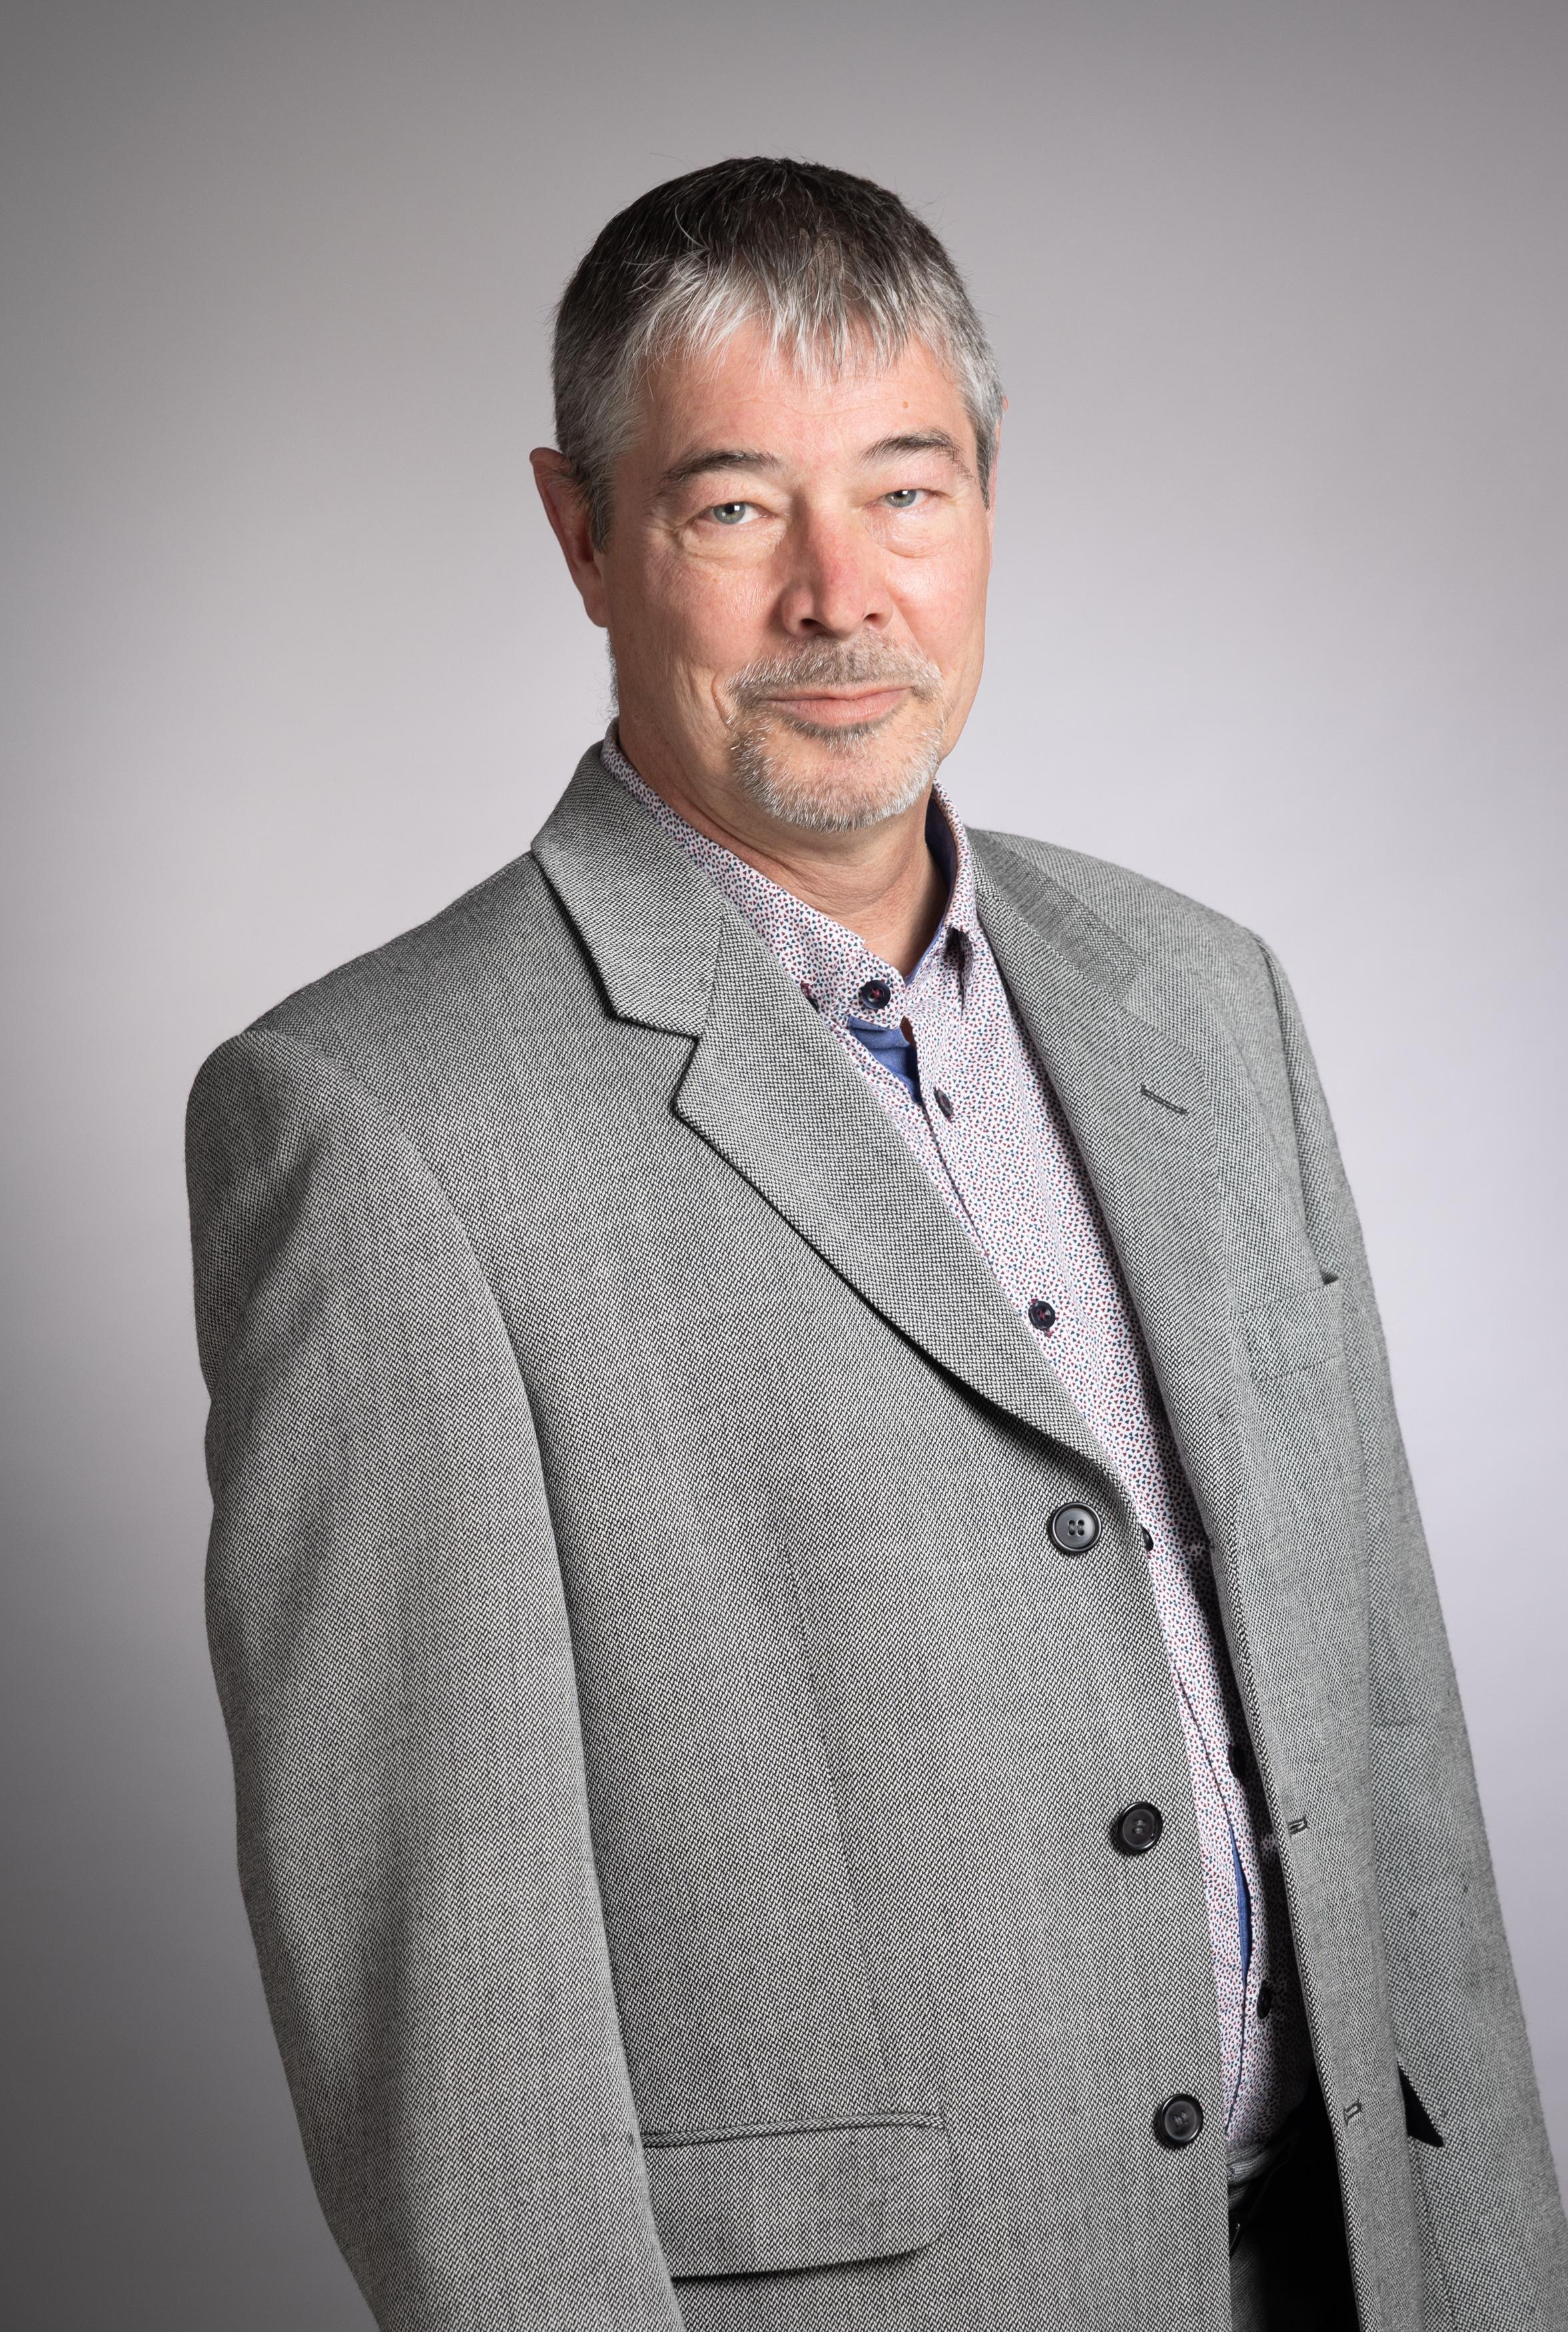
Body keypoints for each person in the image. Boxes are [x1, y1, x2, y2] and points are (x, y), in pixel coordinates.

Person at [186, 157, 1566, 2332]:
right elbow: (457, 2066)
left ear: (983, 506)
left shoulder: (1205, 999)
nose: (842, 594)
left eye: (904, 493)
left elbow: (1390, 1756)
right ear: (581, 532)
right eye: (737, 507)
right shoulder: (376, 1123)